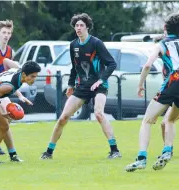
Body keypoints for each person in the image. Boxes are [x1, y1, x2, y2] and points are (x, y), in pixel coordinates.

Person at [125, 13, 179, 172]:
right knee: (170, 120)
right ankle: (167, 151)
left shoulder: (162, 44)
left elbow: (148, 65)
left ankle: (141, 159)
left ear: (165, 28)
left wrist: (140, 84)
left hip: (173, 81)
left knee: (148, 120)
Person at [40, 13, 121, 160]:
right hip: (82, 86)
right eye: (76, 25)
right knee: (63, 117)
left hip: (99, 86)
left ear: (87, 27)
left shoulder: (96, 43)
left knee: (98, 113)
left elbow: (112, 63)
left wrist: (101, 80)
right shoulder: (73, 45)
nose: (78, 28)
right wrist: (71, 84)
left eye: (81, 25)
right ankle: (48, 152)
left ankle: (114, 150)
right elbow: (74, 67)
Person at [0, 20, 32, 159]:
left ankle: (5, 148)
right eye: (4, 32)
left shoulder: (10, 51)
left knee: (9, 117)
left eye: (9, 33)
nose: (6, 35)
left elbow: (13, 77)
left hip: (1, 89)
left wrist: (20, 95)